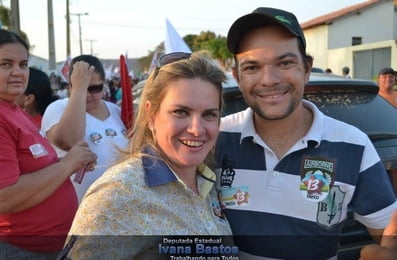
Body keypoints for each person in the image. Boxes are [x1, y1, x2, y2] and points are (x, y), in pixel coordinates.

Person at [215, 7, 397, 259]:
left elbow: (387, 235)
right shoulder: (215, 139)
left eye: (285, 62)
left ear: (307, 68)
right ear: (236, 75)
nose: (268, 80)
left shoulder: (354, 144)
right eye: (252, 67)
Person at [60, 52, 233, 259]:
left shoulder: (210, 182)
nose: (197, 129)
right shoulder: (118, 193)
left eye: (209, 115)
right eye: (180, 112)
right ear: (151, 115)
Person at [0, 29, 97, 259]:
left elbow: (30, 167)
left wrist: (72, 160)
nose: (17, 72)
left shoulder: (14, 110)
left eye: (23, 64)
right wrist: (67, 166)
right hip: (21, 249)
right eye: (6, 64)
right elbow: (4, 197)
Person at [41, 55, 129, 204]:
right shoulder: (58, 108)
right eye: (82, 87)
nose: (88, 95)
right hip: (78, 207)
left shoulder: (115, 110)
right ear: (71, 86)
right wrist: (79, 90)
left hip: (119, 206)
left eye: (95, 88)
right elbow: (70, 141)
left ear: (104, 85)